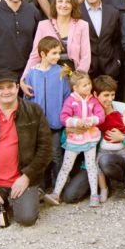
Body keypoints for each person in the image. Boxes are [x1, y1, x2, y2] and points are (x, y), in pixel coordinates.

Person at [0, 71, 52, 229]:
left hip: (21, 180)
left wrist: (27, 176)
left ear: (18, 87)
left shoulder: (34, 112)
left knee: (26, 219)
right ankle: (4, 200)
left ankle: (29, 195)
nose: (6, 91)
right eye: (1, 88)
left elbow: (45, 149)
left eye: (10, 87)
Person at [44, 70, 106, 207]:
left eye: (89, 84)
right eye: (84, 85)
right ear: (75, 88)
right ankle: (56, 193)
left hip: (90, 139)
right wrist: (76, 122)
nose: (88, 87)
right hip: (74, 140)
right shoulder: (71, 101)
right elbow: (63, 118)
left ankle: (94, 195)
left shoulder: (93, 101)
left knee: (91, 166)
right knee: (66, 167)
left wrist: (91, 120)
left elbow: (101, 116)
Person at [22, 36, 70, 177]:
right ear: (43, 54)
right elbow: (28, 97)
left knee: (55, 154)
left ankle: (58, 186)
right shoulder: (32, 73)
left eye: (59, 53)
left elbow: (67, 96)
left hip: (55, 123)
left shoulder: (62, 72)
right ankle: (41, 186)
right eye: (54, 53)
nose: (58, 56)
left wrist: (64, 116)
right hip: (38, 124)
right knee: (38, 154)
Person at [23, 0, 91, 76]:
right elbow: (35, 55)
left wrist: (78, 79)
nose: (63, 5)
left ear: (73, 5)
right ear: (55, 4)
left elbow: (86, 57)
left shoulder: (82, 25)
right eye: (60, 1)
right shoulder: (43, 25)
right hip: (48, 76)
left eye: (68, 2)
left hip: (74, 76)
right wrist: (25, 77)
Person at [80, 0, 122, 83]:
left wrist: (117, 62)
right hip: (85, 73)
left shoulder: (113, 13)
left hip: (110, 71)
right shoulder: (76, 13)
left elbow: (117, 41)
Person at [98, 100, 125, 194]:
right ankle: (103, 188)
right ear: (124, 113)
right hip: (104, 149)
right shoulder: (114, 117)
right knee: (97, 167)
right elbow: (101, 125)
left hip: (121, 149)